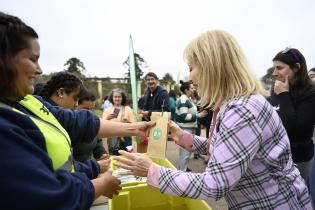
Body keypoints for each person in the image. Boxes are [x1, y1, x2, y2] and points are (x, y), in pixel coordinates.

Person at [114, 30, 312, 209]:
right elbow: (224, 149)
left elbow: (214, 184)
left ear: (212, 67)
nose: (189, 77)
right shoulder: (235, 103)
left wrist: (152, 170)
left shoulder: (241, 111)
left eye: (191, 68)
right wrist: (182, 136)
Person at [0, 12, 153, 210]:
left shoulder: (27, 101)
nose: (39, 70)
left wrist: (134, 129)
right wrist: (100, 183)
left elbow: (76, 123)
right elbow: (50, 196)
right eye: (32, 59)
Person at [268, 48, 315, 181]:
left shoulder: (311, 93)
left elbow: (295, 129)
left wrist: (284, 95)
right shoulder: (277, 87)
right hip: (275, 156)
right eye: (274, 68)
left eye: (279, 68)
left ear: (296, 67)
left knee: (297, 197)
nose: (275, 73)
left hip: (298, 158)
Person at [175, 80, 207, 171]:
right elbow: (183, 116)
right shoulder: (183, 100)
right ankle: (182, 172)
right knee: (184, 154)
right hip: (186, 129)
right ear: (186, 90)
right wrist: (198, 115)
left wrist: (197, 114)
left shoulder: (187, 99)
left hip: (189, 129)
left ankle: (183, 169)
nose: (194, 90)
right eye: (192, 88)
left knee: (186, 153)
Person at [75, 90, 108, 162]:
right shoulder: (68, 124)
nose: (89, 113)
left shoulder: (92, 121)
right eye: (85, 109)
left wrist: (102, 154)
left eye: (91, 109)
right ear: (75, 105)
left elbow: (97, 140)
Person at [102, 88, 134, 155]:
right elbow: (102, 125)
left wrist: (128, 122)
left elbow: (134, 124)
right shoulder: (107, 110)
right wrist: (108, 118)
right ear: (112, 98)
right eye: (115, 97)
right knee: (115, 158)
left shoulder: (127, 109)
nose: (117, 99)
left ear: (122, 98)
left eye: (119, 97)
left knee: (128, 158)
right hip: (113, 138)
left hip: (127, 138)